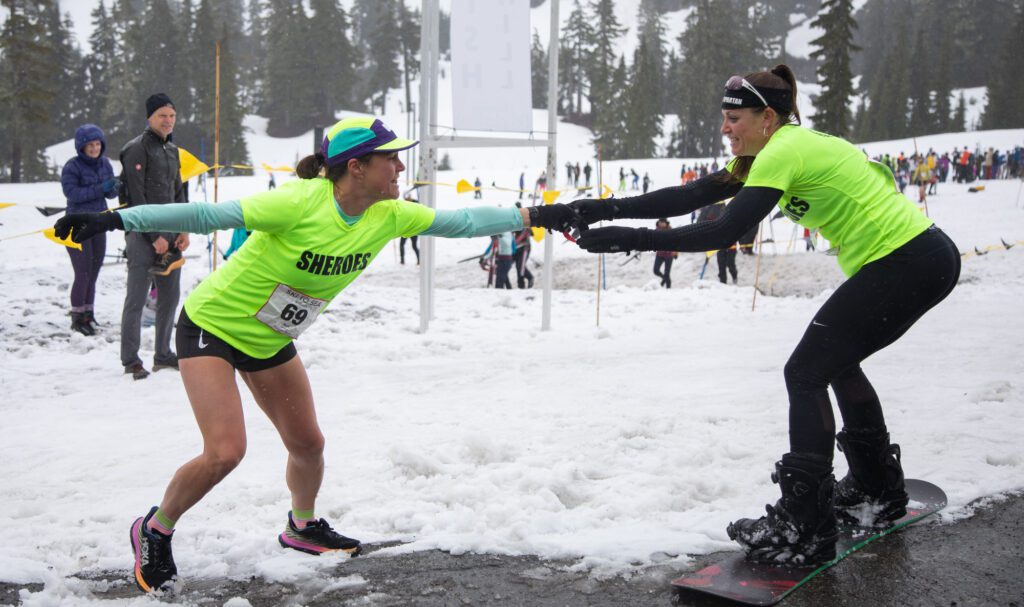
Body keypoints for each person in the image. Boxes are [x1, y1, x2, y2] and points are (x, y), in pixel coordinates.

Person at [54, 115, 579, 594]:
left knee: (308, 443)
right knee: (226, 452)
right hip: (212, 326)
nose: (400, 166)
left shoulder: (388, 215)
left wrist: (543, 213)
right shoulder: (300, 201)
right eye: (390, 158)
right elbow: (207, 212)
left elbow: (463, 223)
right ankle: (154, 528)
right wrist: (114, 220)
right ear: (356, 167)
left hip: (269, 338)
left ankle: (301, 528)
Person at [569, 65, 960, 567]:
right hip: (914, 258)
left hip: (909, 260)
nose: (725, 128)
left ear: (767, 118)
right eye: (724, 118)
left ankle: (804, 523)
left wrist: (636, 238)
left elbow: (724, 228)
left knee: (805, 372)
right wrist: (602, 209)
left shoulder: (782, 151)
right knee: (833, 364)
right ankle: (874, 489)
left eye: (734, 118)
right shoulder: (770, 152)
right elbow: (690, 196)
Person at [118, 93, 189, 380]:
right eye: (162, 115)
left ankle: (163, 354)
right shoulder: (135, 149)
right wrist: (153, 236)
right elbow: (136, 197)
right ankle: (130, 359)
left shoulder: (172, 151)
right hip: (142, 235)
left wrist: (185, 228)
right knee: (136, 299)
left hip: (171, 235)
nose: (168, 121)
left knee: (170, 298)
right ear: (150, 117)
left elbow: (179, 193)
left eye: (172, 116)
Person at [60, 124, 119, 336]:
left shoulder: (105, 164)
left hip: (99, 223)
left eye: (97, 144)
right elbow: (72, 193)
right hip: (76, 225)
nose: (94, 149)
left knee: (93, 272)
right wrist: (99, 189)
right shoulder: (72, 166)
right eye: (90, 145)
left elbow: (110, 195)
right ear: (81, 147)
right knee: (82, 272)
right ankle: (77, 317)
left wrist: (114, 188)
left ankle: (88, 314)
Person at [513, 204, 535, 289]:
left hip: (525, 247)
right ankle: (521, 285)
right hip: (516, 247)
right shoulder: (514, 221)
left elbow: (531, 234)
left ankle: (530, 277)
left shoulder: (525, 220)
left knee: (520, 266)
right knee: (518, 266)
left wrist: (527, 228)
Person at [651, 218, 675, 288]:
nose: (661, 223)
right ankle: (665, 279)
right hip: (660, 254)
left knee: (667, 273)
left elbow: (675, 242)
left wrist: (675, 252)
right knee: (655, 270)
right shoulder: (656, 230)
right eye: (660, 222)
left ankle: (668, 288)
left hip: (669, 255)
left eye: (662, 222)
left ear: (666, 223)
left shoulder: (670, 230)